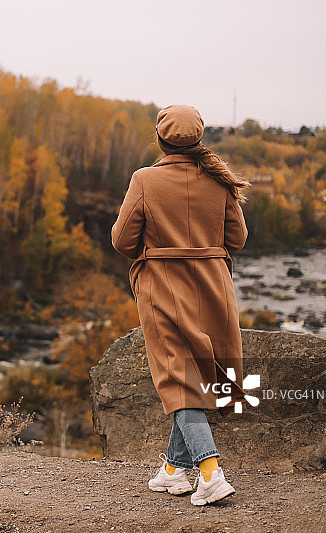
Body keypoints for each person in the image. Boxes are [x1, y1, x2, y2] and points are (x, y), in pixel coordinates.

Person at [110, 104, 250, 506]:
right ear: (199, 139)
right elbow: (237, 239)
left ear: (160, 140)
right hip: (213, 288)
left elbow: (122, 241)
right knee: (195, 373)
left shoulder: (145, 179)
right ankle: (173, 471)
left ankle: (210, 473)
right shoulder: (219, 180)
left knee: (179, 380)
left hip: (163, 288)